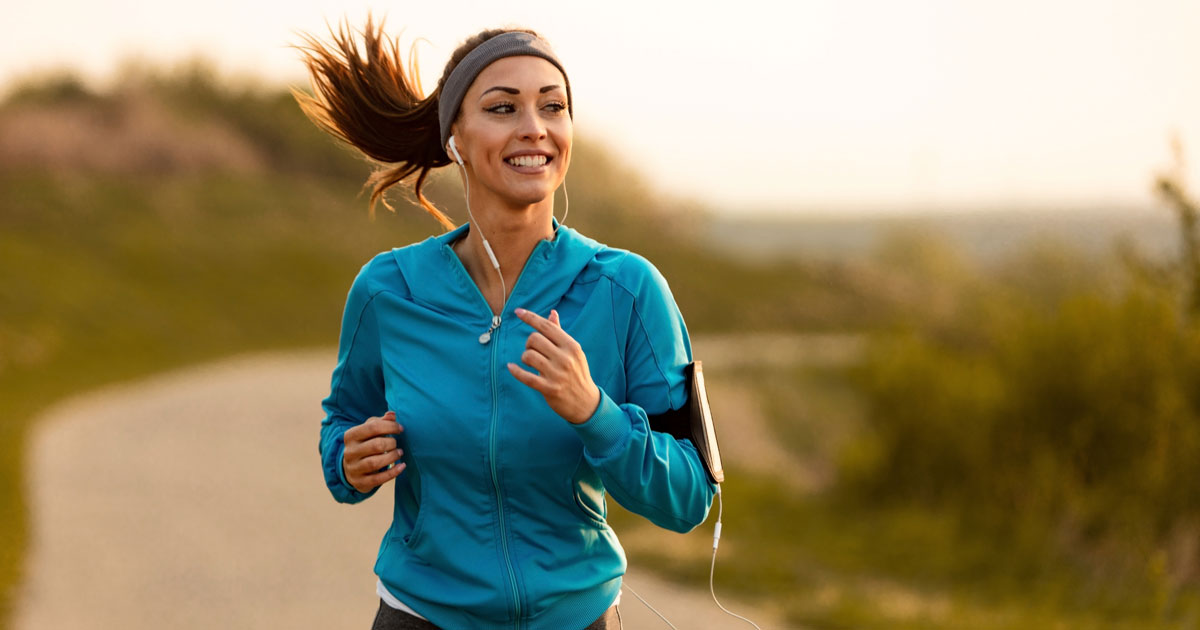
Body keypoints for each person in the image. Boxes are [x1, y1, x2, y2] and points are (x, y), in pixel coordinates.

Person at [296, 16, 717, 630]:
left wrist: (594, 412)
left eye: (553, 106)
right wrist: (348, 462)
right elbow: (343, 428)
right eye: (503, 107)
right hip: (421, 616)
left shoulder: (626, 289)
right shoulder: (388, 291)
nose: (534, 128)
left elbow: (690, 498)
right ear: (455, 139)